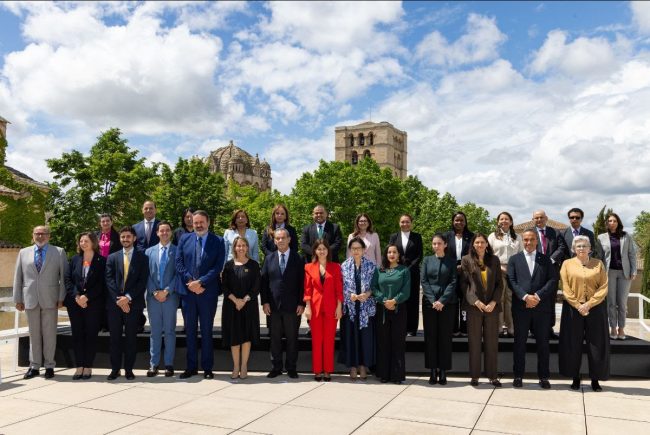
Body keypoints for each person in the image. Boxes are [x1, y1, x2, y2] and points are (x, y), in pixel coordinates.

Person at [175, 210, 226, 379]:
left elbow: (218, 266)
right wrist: (191, 282)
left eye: (201, 222)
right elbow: (179, 262)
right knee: (190, 331)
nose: (198, 225)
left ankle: (207, 368)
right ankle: (191, 367)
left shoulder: (218, 241)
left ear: (208, 222)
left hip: (207, 293)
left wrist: (201, 282)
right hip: (188, 292)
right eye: (195, 222)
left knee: (206, 330)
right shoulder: (184, 239)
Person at [13, 225, 67, 380]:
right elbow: (18, 277)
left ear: (49, 236)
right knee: (33, 335)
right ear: (33, 235)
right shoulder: (23, 253)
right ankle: (34, 366)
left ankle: (49, 366)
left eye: (43, 233)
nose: (40, 236)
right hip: (29, 299)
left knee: (50, 335)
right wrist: (18, 299)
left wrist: (61, 297)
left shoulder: (58, 252)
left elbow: (64, 277)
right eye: (37, 233)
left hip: (51, 299)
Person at [507, 229, 558, 389]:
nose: (528, 242)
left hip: (541, 308)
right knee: (519, 343)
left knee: (543, 344)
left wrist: (537, 296)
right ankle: (518, 376)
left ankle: (544, 377)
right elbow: (511, 281)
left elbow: (552, 280)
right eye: (526, 239)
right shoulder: (514, 259)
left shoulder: (546, 260)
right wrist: (525, 297)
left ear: (537, 241)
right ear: (522, 241)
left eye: (532, 239)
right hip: (521, 308)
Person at [559, 235, 609, 392]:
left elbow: (604, 287)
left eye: (584, 246)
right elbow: (565, 287)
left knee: (596, 344)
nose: (581, 248)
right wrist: (577, 305)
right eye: (578, 246)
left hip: (596, 308)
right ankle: (575, 377)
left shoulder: (598, 264)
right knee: (573, 344)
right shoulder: (566, 264)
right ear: (574, 249)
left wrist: (589, 304)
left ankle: (595, 380)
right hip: (573, 309)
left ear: (590, 248)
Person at [105, 226, 149, 380]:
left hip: (133, 304)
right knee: (115, 339)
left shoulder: (143, 258)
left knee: (131, 338)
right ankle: (115, 369)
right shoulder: (112, 257)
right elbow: (109, 279)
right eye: (123, 237)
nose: (125, 239)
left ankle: (129, 369)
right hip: (114, 305)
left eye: (128, 236)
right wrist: (120, 299)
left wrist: (128, 298)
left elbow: (142, 281)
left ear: (134, 238)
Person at [261, 228, 305, 379]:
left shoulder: (298, 258)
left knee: (292, 338)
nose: (280, 240)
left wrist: (302, 303)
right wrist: (265, 302)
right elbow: (264, 282)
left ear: (289, 239)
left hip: (293, 306)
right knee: (275, 338)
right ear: (274, 241)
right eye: (277, 238)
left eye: (283, 238)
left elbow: (302, 283)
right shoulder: (269, 258)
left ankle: (291, 367)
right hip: (273, 306)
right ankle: (276, 367)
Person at [461, 233, 503, 387]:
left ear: (487, 244)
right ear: (473, 244)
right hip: (474, 307)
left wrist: (494, 302)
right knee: (474, 343)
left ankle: (492, 376)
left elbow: (499, 284)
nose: (480, 245)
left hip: (492, 307)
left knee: (492, 343)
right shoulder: (466, 260)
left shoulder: (494, 260)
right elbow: (464, 284)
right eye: (477, 242)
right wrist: (475, 301)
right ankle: (475, 376)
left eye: (482, 242)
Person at [64, 232, 106, 380]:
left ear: (93, 242)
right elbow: (68, 279)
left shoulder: (102, 261)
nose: (83, 243)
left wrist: (87, 297)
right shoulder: (74, 259)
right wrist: (77, 296)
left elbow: (102, 284)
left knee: (91, 335)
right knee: (77, 335)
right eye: (81, 241)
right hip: (75, 303)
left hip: (93, 304)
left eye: (86, 241)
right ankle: (79, 366)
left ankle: (88, 366)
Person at [221, 237, 261, 380]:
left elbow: (256, 286)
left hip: (248, 306)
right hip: (231, 306)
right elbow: (224, 286)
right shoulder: (228, 265)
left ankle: (244, 366)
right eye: (238, 246)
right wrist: (235, 300)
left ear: (247, 247)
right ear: (234, 248)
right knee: (234, 337)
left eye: (244, 245)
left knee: (246, 336)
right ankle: (236, 366)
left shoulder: (254, 265)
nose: (241, 248)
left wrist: (244, 300)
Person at [420, 233, 457, 386]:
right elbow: (424, 281)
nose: (436, 246)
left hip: (447, 304)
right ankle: (432, 370)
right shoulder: (427, 260)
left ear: (445, 244)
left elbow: (453, 282)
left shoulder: (452, 261)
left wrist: (442, 300)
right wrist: (433, 300)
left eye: (439, 243)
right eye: (434, 243)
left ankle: (443, 370)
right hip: (429, 304)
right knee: (430, 337)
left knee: (445, 337)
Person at [304, 239, 343, 381]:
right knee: (316, 340)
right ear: (315, 251)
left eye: (324, 249)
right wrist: (308, 307)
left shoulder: (336, 267)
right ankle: (317, 370)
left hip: (331, 308)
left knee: (329, 340)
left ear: (328, 251)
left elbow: (339, 289)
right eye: (319, 249)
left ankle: (327, 370)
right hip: (314, 308)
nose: (321, 251)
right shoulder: (308, 267)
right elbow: (307, 289)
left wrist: (339, 307)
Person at [371, 244, 411, 384]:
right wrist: (383, 300)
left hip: (399, 310)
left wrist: (394, 301)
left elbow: (406, 290)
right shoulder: (379, 270)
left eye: (394, 252)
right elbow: (374, 287)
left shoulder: (404, 270)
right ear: (386, 254)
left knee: (398, 343)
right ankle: (384, 374)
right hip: (382, 310)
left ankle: (397, 375)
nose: (392, 254)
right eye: (389, 252)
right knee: (383, 342)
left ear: (399, 255)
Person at [339, 237, 377, 380]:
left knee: (364, 338)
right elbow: (340, 286)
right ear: (350, 250)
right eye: (353, 248)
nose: (356, 251)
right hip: (350, 308)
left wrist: (367, 294)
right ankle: (353, 367)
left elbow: (375, 286)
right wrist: (350, 295)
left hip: (365, 308)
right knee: (351, 337)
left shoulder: (371, 266)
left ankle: (363, 366)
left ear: (363, 250)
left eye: (358, 248)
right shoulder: (344, 266)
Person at [144, 221, 178, 378]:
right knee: (155, 331)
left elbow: (178, 274)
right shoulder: (148, 252)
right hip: (153, 297)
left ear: (171, 232)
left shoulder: (177, 251)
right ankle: (154, 364)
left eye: (167, 230)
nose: (164, 233)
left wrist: (167, 291)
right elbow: (146, 274)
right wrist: (154, 291)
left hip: (170, 296)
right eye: (161, 230)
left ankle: (169, 364)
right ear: (157, 233)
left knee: (170, 331)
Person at [596, 212, 637, 340]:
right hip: (609, 273)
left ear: (618, 222)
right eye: (609, 221)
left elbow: (632, 254)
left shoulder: (626, 236)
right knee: (611, 303)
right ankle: (613, 328)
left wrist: (634, 271)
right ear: (606, 223)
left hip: (625, 273)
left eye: (614, 221)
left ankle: (621, 329)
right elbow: (599, 257)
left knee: (622, 303)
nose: (612, 223)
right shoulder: (601, 237)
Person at [532, 209, 566, 339]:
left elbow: (562, 248)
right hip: (535, 269)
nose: (539, 220)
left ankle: (549, 328)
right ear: (533, 220)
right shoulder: (530, 232)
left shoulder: (555, 232)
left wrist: (551, 259)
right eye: (536, 218)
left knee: (551, 300)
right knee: (535, 298)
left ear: (546, 218)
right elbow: (526, 247)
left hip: (552, 270)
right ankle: (534, 329)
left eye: (541, 217)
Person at [487, 212, 522, 338]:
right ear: (498, 222)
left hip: (513, 272)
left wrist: (513, 269)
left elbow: (521, 254)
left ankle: (511, 327)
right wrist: (499, 267)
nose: (504, 221)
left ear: (511, 222)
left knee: (510, 299)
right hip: (497, 271)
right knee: (499, 299)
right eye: (501, 219)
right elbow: (488, 255)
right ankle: (499, 328)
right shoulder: (492, 236)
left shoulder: (517, 237)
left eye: (506, 219)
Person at [388, 214, 422, 336]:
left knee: (412, 300)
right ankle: (399, 327)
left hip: (413, 273)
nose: (405, 224)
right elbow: (390, 253)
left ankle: (411, 329)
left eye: (407, 222)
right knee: (398, 299)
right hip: (397, 273)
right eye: (402, 222)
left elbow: (419, 255)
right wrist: (399, 268)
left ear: (411, 223)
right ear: (399, 223)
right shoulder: (394, 237)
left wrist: (408, 269)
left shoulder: (417, 237)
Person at [444, 211, 474, 336]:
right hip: (450, 271)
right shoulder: (446, 236)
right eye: (456, 220)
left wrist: (463, 266)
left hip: (466, 272)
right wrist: (453, 266)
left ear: (465, 222)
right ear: (452, 222)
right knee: (452, 300)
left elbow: (473, 254)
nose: (459, 222)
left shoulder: (472, 236)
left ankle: (465, 328)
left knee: (465, 300)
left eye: (462, 220)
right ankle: (453, 328)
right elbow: (443, 254)